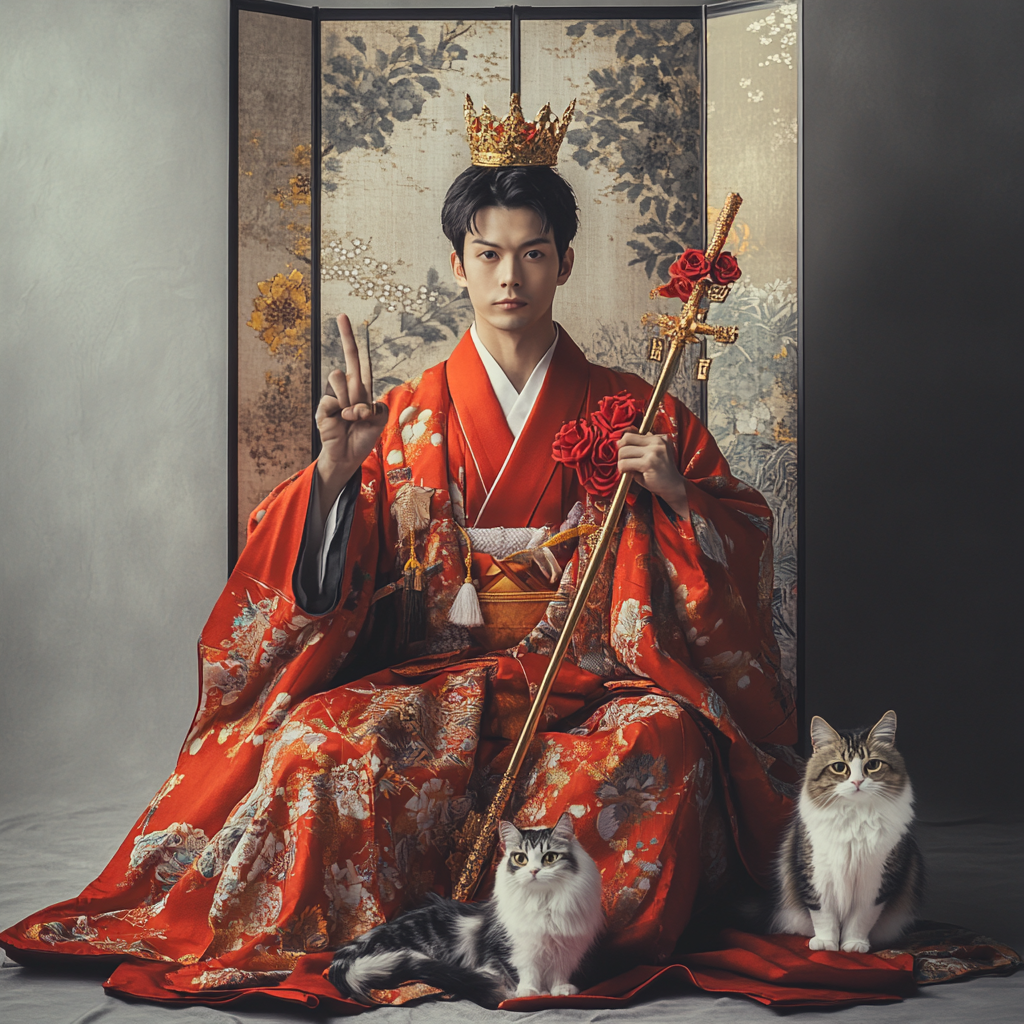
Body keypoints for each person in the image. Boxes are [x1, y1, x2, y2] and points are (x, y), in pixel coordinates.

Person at [0, 102, 797, 1007]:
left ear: (564, 263)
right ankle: (401, 939)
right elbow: (313, 587)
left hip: (592, 679)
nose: (510, 277)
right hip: (439, 676)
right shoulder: (405, 416)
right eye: (488, 255)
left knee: (660, 744)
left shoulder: (635, 410)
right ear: (457, 264)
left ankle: (536, 948)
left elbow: (741, 544)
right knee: (310, 746)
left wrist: (680, 499)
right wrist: (336, 479)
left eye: (533, 253)